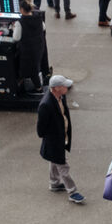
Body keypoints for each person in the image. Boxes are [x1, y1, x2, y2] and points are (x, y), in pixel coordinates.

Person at [37, 74, 83, 204]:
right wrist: (52, 137)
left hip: (60, 138)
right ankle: (72, 192)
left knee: (54, 161)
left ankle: (54, 183)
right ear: (57, 88)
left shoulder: (60, 96)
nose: (67, 87)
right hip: (54, 142)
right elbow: (40, 130)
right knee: (63, 166)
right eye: (64, 86)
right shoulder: (46, 105)